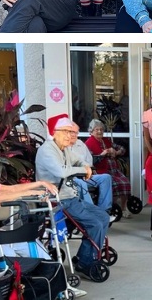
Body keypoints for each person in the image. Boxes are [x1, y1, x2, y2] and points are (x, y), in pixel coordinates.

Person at [34, 114, 111, 277]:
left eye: (73, 133)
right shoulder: (47, 151)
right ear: (57, 132)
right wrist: (83, 170)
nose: (72, 136)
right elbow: (62, 172)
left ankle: (83, 257)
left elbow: (81, 161)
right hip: (57, 200)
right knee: (95, 224)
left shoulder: (65, 148)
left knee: (103, 217)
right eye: (68, 132)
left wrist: (84, 166)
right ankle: (85, 262)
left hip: (70, 196)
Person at [85, 120, 132, 219]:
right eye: (96, 129)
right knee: (114, 184)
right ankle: (113, 207)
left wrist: (116, 152)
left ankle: (123, 208)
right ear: (91, 131)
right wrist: (102, 155)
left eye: (101, 129)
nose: (99, 132)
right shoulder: (89, 143)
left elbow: (122, 149)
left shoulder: (106, 140)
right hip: (102, 171)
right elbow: (89, 160)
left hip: (114, 170)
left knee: (125, 183)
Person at [71, 136, 114, 218]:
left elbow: (89, 160)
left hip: (85, 174)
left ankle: (104, 212)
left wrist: (87, 167)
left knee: (106, 178)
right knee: (81, 183)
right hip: (73, 177)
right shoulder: (63, 146)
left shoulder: (80, 144)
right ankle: (92, 214)